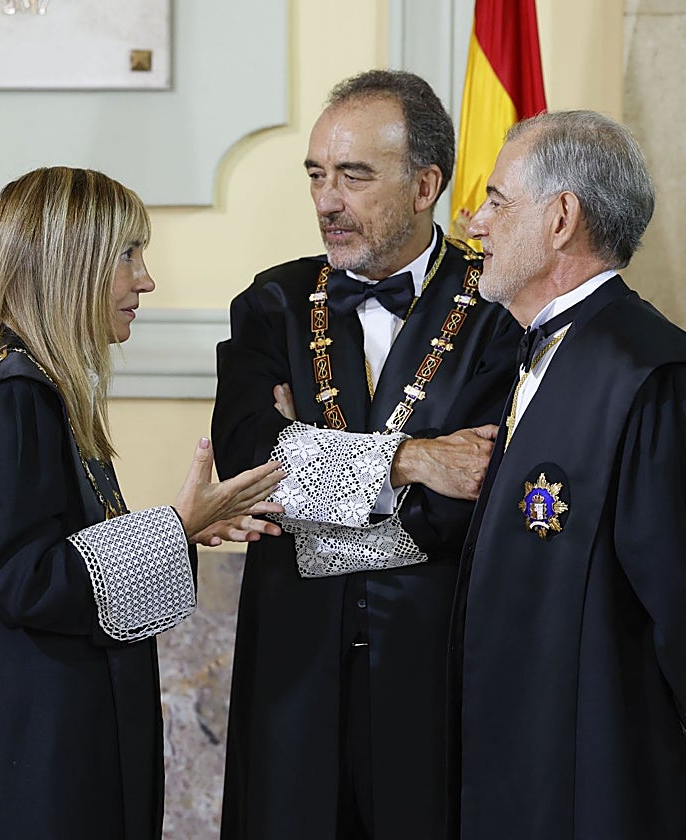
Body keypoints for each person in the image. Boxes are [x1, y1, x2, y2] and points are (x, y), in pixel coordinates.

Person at [0, 166, 285, 840]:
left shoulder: (25, 385)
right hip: (18, 765)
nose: (145, 280)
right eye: (128, 254)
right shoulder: (11, 397)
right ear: (73, 265)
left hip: (26, 739)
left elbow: (51, 557)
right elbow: (30, 582)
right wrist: (176, 525)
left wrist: (185, 528)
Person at [450, 110, 686, 839]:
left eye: (497, 201)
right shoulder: (520, 355)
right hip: (513, 761)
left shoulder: (659, 378)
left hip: (604, 769)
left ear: (562, 217)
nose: (475, 223)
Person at [211, 70, 522, 840]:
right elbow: (248, 466)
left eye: (354, 176)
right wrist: (407, 463)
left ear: (425, 186)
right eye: (317, 174)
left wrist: (310, 480)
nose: (326, 200)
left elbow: (478, 496)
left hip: (438, 671)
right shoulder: (272, 303)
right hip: (291, 670)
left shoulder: (503, 306)